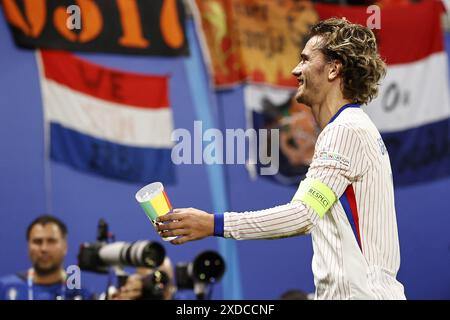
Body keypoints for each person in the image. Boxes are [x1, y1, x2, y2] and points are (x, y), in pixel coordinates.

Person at [157, 18, 406, 300]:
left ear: (334, 69)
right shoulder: (352, 128)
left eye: (305, 59)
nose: (294, 70)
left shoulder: (346, 131)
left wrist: (212, 224)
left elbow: (302, 215)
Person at [0, 215, 94, 300]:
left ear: (65, 247)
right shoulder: (5, 288)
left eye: (51, 241)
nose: (44, 248)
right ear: (28, 246)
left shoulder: (80, 294)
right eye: (37, 241)